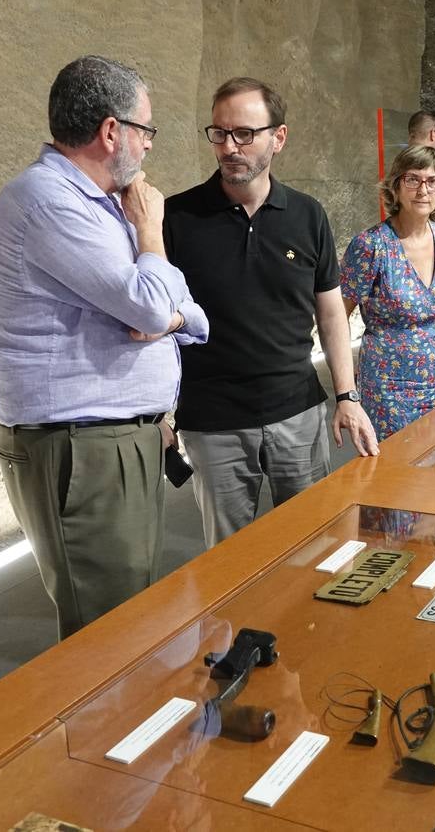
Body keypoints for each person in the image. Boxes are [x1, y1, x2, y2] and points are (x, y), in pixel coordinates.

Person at [0, 55, 208, 640]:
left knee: (131, 613)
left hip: (114, 442)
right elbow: (153, 306)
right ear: (113, 132)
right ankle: (106, 732)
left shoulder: (101, 205)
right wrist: (152, 236)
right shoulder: (49, 201)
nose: (150, 147)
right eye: (147, 130)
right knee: (108, 635)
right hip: (83, 448)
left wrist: (171, 311)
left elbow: (180, 308)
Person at [163, 77, 378, 548]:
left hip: (295, 411)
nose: (228, 146)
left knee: (313, 546)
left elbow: (331, 313)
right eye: (219, 133)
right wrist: (159, 411)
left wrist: (347, 395)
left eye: (244, 133)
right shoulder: (176, 218)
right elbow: (157, 323)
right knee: (229, 562)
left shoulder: (307, 215)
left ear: (277, 138)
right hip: (212, 422)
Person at [341, 146, 435, 439]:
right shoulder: (371, 246)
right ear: (396, 185)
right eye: (412, 179)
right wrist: (346, 393)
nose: (423, 190)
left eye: (433, 181)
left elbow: (432, 305)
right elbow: (337, 318)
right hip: (387, 388)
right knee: (394, 477)